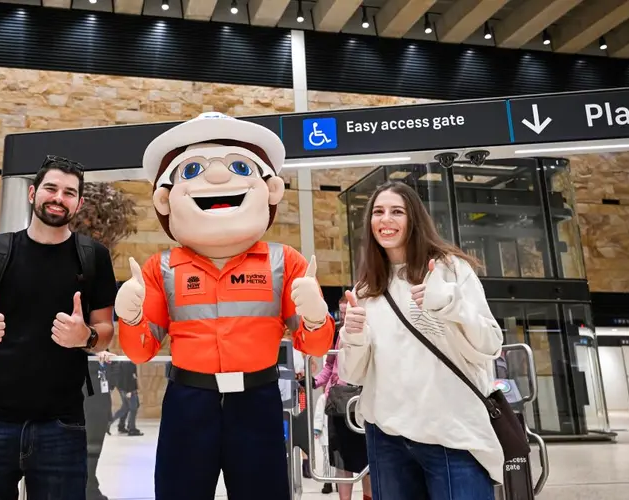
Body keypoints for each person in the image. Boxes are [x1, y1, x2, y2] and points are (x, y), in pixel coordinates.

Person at [114, 112, 335, 500]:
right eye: (195, 170)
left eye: (237, 167)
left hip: (258, 400)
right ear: (165, 199)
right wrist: (130, 318)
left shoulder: (285, 263)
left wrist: (317, 317)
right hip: (188, 402)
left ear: (271, 190)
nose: (217, 179)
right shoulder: (162, 267)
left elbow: (313, 347)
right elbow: (140, 350)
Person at [0, 155, 118, 500]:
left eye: (69, 192)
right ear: (32, 194)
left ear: (79, 203)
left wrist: (84, 336)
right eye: (51, 188)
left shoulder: (94, 257)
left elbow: (105, 330)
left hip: (61, 425)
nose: (59, 198)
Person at [339, 181, 504, 500]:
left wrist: (451, 304)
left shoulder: (449, 269)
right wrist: (354, 336)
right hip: (386, 438)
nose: (385, 220)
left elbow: (490, 345)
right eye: (378, 212)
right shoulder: (367, 288)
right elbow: (353, 375)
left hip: (452, 434)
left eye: (396, 212)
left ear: (414, 219)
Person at [314, 298, 371, 500]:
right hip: (337, 404)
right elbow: (329, 366)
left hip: (361, 404)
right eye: (342, 312)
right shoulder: (336, 334)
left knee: (367, 462)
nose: (345, 316)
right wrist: (315, 382)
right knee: (341, 461)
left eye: (348, 312)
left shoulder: (368, 332)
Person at [86, 350, 117, 500]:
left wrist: (110, 362)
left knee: (94, 448)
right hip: (84, 406)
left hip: (99, 405)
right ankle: (89, 487)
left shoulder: (101, 350)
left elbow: (111, 380)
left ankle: (90, 485)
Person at [110, 358, 142, 436]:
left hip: (125, 389)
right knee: (133, 408)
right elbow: (128, 377)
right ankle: (131, 429)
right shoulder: (128, 363)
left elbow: (132, 377)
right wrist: (129, 391)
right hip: (128, 389)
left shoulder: (125, 362)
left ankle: (121, 426)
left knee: (126, 407)